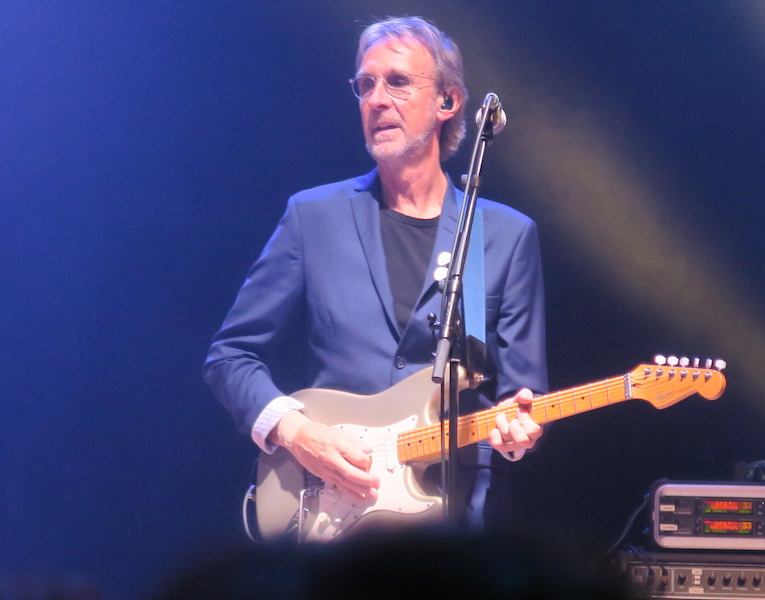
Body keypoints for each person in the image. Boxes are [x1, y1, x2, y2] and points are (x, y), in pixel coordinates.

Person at [202, 15, 548, 533]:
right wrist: (295, 432)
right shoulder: (313, 217)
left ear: (448, 101)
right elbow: (231, 357)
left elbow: (523, 402)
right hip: (331, 513)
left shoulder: (504, 235)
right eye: (365, 85)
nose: (377, 100)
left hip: (457, 523)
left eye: (398, 82)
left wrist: (520, 432)